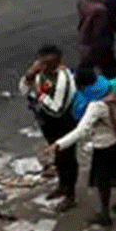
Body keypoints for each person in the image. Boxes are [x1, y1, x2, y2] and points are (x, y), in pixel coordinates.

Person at [52, 65, 116, 227]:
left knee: (103, 182)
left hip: (104, 147)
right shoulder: (111, 87)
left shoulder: (95, 105)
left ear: (81, 86)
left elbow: (81, 131)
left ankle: (105, 214)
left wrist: (57, 145)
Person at [19, 45, 78, 211]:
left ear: (57, 62)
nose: (41, 67)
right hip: (48, 122)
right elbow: (24, 91)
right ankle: (62, 186)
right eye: (40, 62)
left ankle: (70, 195)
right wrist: (29, 76)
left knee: (67, 158)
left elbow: (57, 108)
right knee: (57, 156)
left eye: (46, 64)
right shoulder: (40, 75)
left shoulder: (63, 79)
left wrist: (39, 94)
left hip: (64, 123)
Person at [77, 0, 114, 71]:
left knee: (85, 66)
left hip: (83, 38)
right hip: (94, 44)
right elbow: (99, 31)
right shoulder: (100, 9)